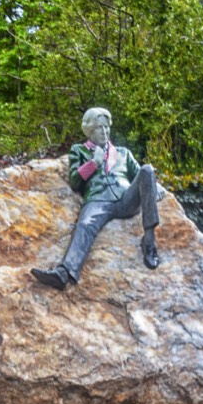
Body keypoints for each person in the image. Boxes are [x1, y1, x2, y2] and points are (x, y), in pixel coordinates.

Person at [32, 107, 164, 291]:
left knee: (148, 169)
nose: (104, 132)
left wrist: (153, 185)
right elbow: (75, 182)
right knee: (85, 224)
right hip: (98, 201)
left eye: (106, 127)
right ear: (89, 131)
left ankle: (149, 243)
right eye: (98, 128)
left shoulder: (123, 152)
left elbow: (140, 174)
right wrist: (94, 163)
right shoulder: (79, 150)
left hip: (126, 199)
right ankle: (64, 272)